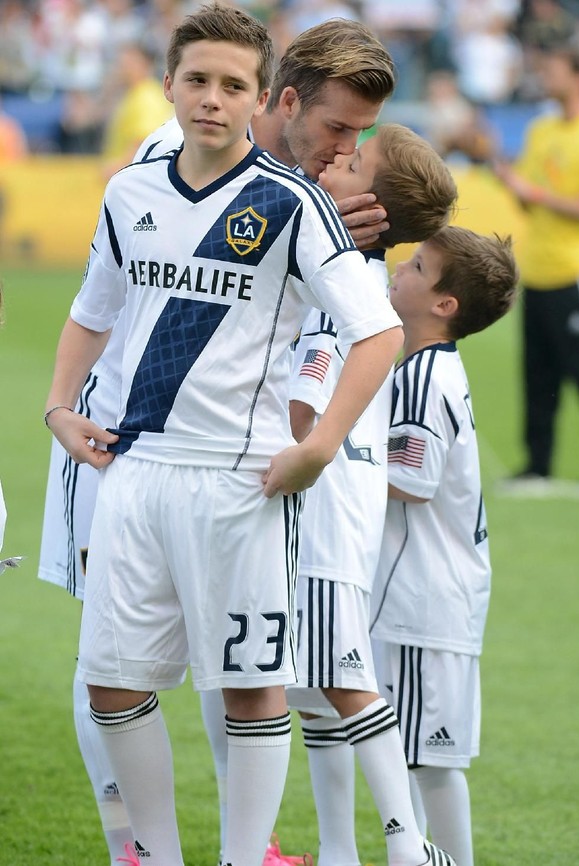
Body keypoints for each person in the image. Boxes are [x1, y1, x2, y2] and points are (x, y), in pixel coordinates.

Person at [43, 7, 404, 866]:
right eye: (197, 80)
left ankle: (245, 855)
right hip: (131, 464)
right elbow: (93, 308)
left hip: (239, 479)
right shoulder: (133, 188)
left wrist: (318, 448)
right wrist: (57, 405)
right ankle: (151, 855)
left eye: (231, 84)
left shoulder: (296, 202)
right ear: (167, 84)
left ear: (261, 96)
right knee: (111, 677)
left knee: (249, 683)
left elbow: (377, 331)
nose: (212, 98)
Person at [286, 123, 458, 866]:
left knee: (344, 676)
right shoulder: (360, 271)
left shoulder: (342, 277)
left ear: (373, 207)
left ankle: (406, 844)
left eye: (354, 161)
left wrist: (285, 447)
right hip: (343, 498)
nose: (335, 158)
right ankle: (338, 849)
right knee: (317, 688)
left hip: (321, 502)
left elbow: (307, 398)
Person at [370, 226, 518, 866]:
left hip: (423, 598)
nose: (399, 269)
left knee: (421, 754)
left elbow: (412, 479)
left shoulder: (424, 377)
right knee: (414, 751)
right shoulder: (426, 367)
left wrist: (332, 459)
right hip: (431, 594)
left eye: (417, 267)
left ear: (444, 305)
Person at [493, 45, 579, 496]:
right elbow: (529, 202)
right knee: (538, 376)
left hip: (578, 272)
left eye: (553, 68)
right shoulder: (541, 129)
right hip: (537, 272)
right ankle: (538, 467)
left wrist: (531, 190)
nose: (545, 75)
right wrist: (513, 183)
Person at [100, 39, 174, 178]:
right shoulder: (134, 94)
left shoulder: (146, 96)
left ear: (143, 64)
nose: (121, 69)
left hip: (131, 178)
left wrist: (117, 169)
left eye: (127, 63)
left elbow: (144, 141)